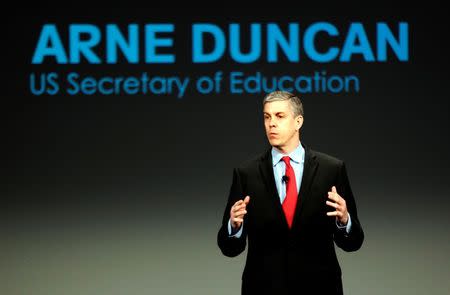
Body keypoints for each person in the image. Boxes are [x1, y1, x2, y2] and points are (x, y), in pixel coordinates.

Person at [217, 91, 364, 295]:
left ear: (298, 122)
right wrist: (234, 226)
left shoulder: (332, 169)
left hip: (320, 287)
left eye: (279, 116)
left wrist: (344, 220)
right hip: (264, 288)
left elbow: (353, 242)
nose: (271, 124)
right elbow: (229, 248)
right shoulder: (246, 174)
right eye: (266, 117)